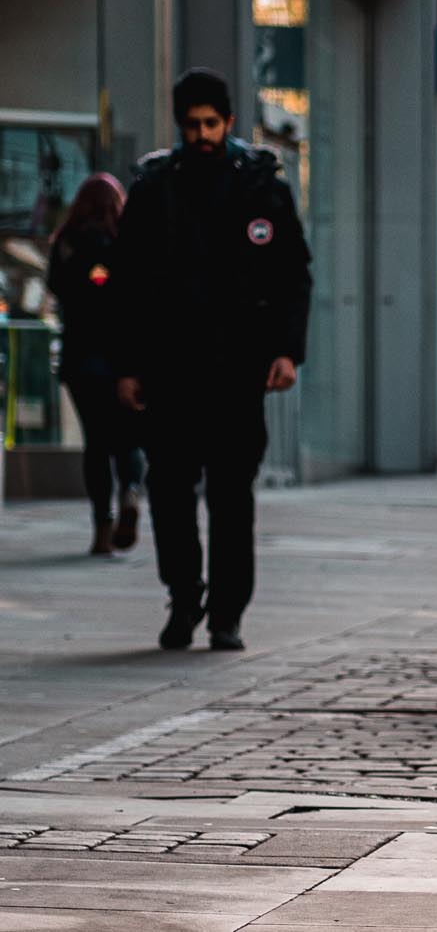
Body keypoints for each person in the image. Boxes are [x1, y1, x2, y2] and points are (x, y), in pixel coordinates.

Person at [112, 69, 312, 652]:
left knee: (231, 496)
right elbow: (127, 284)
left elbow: (292, 275)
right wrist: (128, 365)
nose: (201, 134)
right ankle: (183, 597)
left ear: (228, 122)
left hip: (237, 369)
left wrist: (286, 350)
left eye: (210, 123)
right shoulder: (155, 187)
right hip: (169, 370)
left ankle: (227, 613)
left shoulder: (261, 186)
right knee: (170, 493)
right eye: (191, 125)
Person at [49, 174, 146, 556]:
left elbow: (56, 288)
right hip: (124, 358)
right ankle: (131, 491)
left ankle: (102, 528)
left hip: (81, 358)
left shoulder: (66, 243)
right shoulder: (128, 242)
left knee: (96, 443)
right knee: (128, 438)